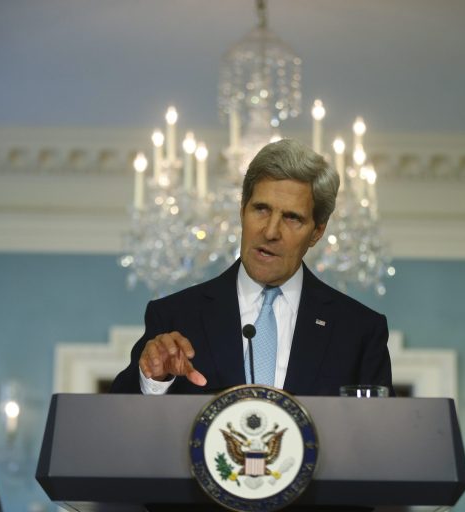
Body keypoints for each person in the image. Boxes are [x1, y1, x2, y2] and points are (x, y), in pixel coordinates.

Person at [110, 138, 391, 396]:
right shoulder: (175, 318)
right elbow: (118, 422)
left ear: (317, 231)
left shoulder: (359, 331)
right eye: (261, 209)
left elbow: (378, 437)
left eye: (292, 218)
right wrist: (154, 381)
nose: (270, 231)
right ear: (242, 209)